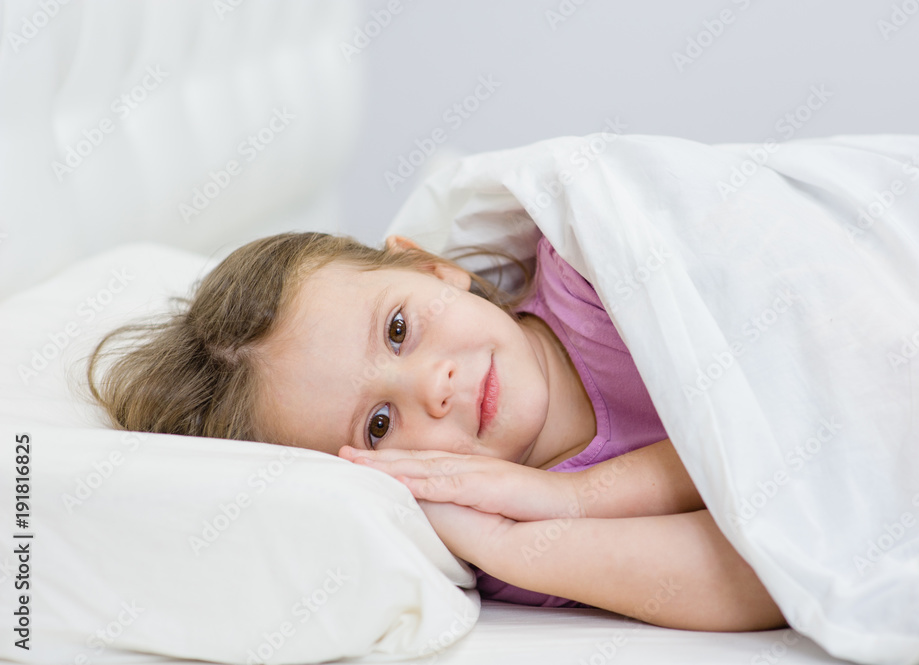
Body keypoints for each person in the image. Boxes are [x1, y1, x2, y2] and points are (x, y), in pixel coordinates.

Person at [88, 230, 786, 632]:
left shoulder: (594, 271)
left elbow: (789, 403)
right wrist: (511, 541)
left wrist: (582, 499)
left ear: (434, 268)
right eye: (380, 423)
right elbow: (776, 568)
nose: (433, 384)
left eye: (398, 328)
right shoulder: (510, 546)